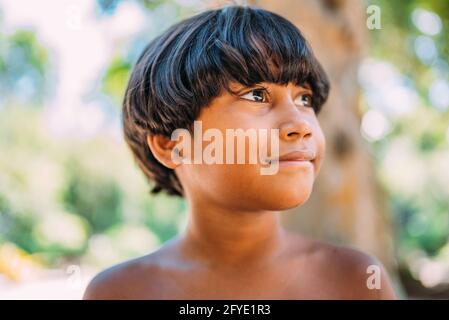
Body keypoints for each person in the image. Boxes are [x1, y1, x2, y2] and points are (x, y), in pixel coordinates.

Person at [84, 4, 396, 300]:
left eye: (304, 98)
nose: (300, 124)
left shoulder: (356, 280)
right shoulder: (120, 292)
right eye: (257, 95)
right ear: (171, 144)